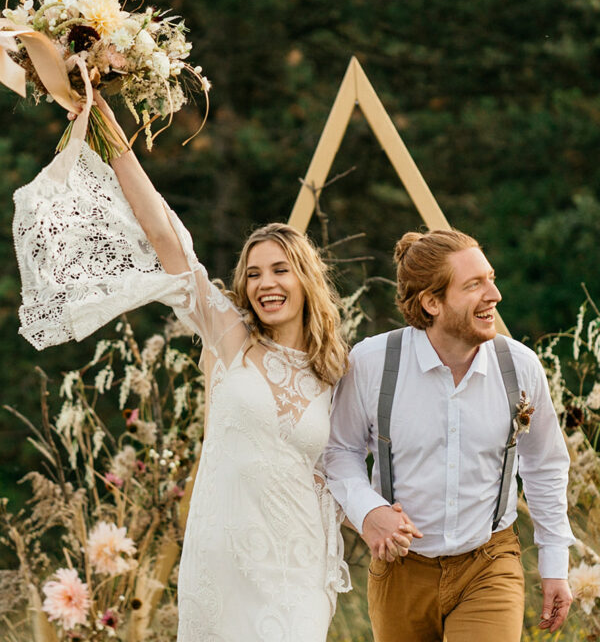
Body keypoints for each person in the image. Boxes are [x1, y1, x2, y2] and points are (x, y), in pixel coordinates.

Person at [13, 93, 409, 641]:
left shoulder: (339, 372)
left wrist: (379, 518)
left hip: (297, 565)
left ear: (306, 280)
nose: (266, 283)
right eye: (253, 274)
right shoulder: (231, 340)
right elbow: (163, 236)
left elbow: (341, 472)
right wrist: (109, 130)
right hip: (223, 560)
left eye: (280, 270)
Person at [323, 228, 575, 642]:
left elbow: (545, 465)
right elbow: (339, 452)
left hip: (489, 563)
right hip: (400, 571)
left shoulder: (520, 367)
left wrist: (554, 565)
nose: (494, 294)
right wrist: (369, 511)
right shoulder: (372, 363)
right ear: (432, 302)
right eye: (474, 284)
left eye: (491, 278)